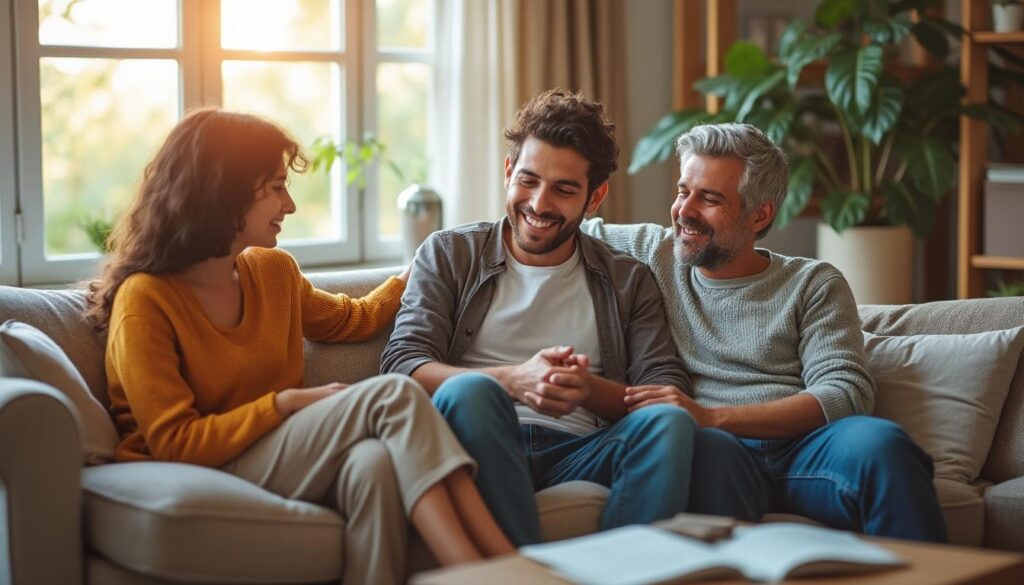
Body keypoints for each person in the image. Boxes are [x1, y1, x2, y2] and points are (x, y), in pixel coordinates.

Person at [84, 108, 514, 585]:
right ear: (222, 192)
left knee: (371, 466)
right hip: (194, 464)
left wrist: (414, 272)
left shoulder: (272, 272)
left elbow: (354, 319)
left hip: (269, 453)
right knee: (394, 392)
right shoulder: (146, 299)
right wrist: (285, 404)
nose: (288, 205)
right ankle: (495, 569)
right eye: (275, 187)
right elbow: (176, 441)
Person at [581, 123, 948, 542]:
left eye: (710, 198)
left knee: (882, 445)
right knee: (704, 451)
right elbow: (556, 224)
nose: (685, 210)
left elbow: (846, 392)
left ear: (760, 214)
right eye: (683, 190)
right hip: (717, 452)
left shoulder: (813, 283)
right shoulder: (653, 252)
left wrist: (712, 415)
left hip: (803, 450)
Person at [380, 89, 696, 546]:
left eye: (564, 189)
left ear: (595, 197)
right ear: (509, 172)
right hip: (477, 438)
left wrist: (589, 391)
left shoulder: (627, 279)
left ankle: (627, 571)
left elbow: (667, 389)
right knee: (472, 390)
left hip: (580, 449)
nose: (539, 204)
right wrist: (512, 380)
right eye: (528, 180)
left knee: (670, 423)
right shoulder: (449, 253)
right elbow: (401, 362)